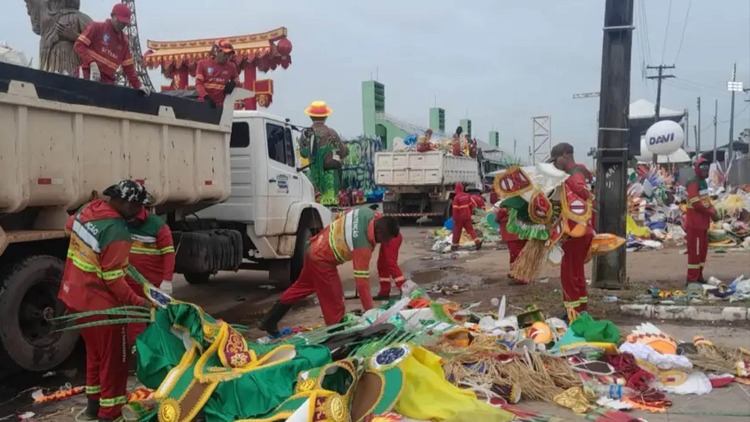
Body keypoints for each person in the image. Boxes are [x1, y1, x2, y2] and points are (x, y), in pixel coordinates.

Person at [58, 180, 153, 422]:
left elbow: (70, 227)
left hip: (74, 297)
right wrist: (141, 304)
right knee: (115, 362)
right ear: (126, 203)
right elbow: (115, 282)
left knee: (96, 354)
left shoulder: (88, 209)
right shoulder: (117, 231)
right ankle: (109, 414)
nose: (140, 213)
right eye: (138, 207)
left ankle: (93, 406)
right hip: (100, 305)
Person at [258, 207, 400, 335]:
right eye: (385, 239)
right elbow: (361, 282)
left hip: (313, 247)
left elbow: (339, 216)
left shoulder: (365, 212)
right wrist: (371, 314)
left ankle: (269, 320)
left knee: (301, 287)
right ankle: (336, 336)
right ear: (379, 231)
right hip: (322, 261)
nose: (385, 243)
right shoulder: (362, 246)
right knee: (335, 301)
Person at [549, 143, 594, 318]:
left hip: (576, 232)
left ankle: (574, 313)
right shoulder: (579, 172)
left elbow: (582, 195)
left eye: (556, 160)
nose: (555, 164)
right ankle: (579, 310)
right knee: (575, 273)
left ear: (565, 155)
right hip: (577, 231)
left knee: (570, 275)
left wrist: (564, 182)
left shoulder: (574, 176)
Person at [124, 206, 175, 347]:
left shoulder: (158, 226)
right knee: (135, 327)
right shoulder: (121, 220)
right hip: (131, 287)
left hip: (154, 288)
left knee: (159, 323)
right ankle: (140, 356)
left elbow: (169, 254)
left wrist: (167, 280)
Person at [73, 3, 149, 94]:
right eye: (120, 21)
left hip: (107, 84)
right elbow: (79, 45)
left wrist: (139, 86)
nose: (122, 25)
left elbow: (129, 69)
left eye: (125, 23)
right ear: (112, 16)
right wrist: (91, 63)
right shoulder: (97, 28)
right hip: (86, 75)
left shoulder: (124, 42)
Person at [685, 157, 718, 284]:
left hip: (703, 223)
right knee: (695, 252)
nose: (705, 171)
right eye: (702, 168)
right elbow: (696, 203)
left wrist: (713, 210)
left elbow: (705, 201)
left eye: (706, 168)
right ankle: (692, 278)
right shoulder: (693, 182)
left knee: (702, 252)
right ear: (697, 168)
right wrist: (711, 213)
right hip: (695, 224)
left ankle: (699, 275)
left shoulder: (703, 182)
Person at [195, 39, 240, 108]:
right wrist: (206, 97)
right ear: (216, 51)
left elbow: (237, 80)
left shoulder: (231, 66)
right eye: (225, 53)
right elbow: (198, 84)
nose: (227, 56)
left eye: (229, 54)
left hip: (221, 106)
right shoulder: (202, 64)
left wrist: (233, 83)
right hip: (203, 104)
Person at [495, 207, 528, 285]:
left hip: (511, 233)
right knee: (517, 253)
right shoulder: (524, 203)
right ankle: (513, 272)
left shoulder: (506, 206)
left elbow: (497, 219)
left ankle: (521, 276)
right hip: (523, 232)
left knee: (516, 254)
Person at [375, 232, 406, 300]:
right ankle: (384, 291)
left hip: (391, 236)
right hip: (387, 237)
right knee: (382, 264)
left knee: (391, 263)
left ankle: (404, 288)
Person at [451, 183, 482, 251]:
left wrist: (454, 219)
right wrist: (470, 214)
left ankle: (454, 245)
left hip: (459, 218)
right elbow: (471, 206)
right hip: (467, 216)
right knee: (470, 230)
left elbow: (455, 210)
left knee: (457, 231)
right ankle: (477, 241)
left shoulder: (456, 198)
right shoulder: (467, 196)